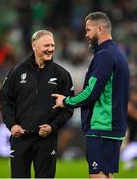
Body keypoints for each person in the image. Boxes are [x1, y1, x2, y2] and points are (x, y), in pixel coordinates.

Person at [52, 12, 130, 178]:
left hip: (102, 124)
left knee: (97, 175)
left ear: (100, 28)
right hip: (113, 124)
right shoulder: (118, 53)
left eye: (88, 30)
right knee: (106, 174)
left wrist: (66, 101)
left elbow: (90, 92)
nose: (86, 35)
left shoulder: (105, 55)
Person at [0, 30, 74, 178]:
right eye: (46, 45)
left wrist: (53, 127)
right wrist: (12, 125)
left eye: (52, 45)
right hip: (20, 139)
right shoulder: (17, 72)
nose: (51, 49)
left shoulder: (62, 75)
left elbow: (68, 108)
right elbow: (5, 101)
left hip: (46, 140)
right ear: (34, 46)